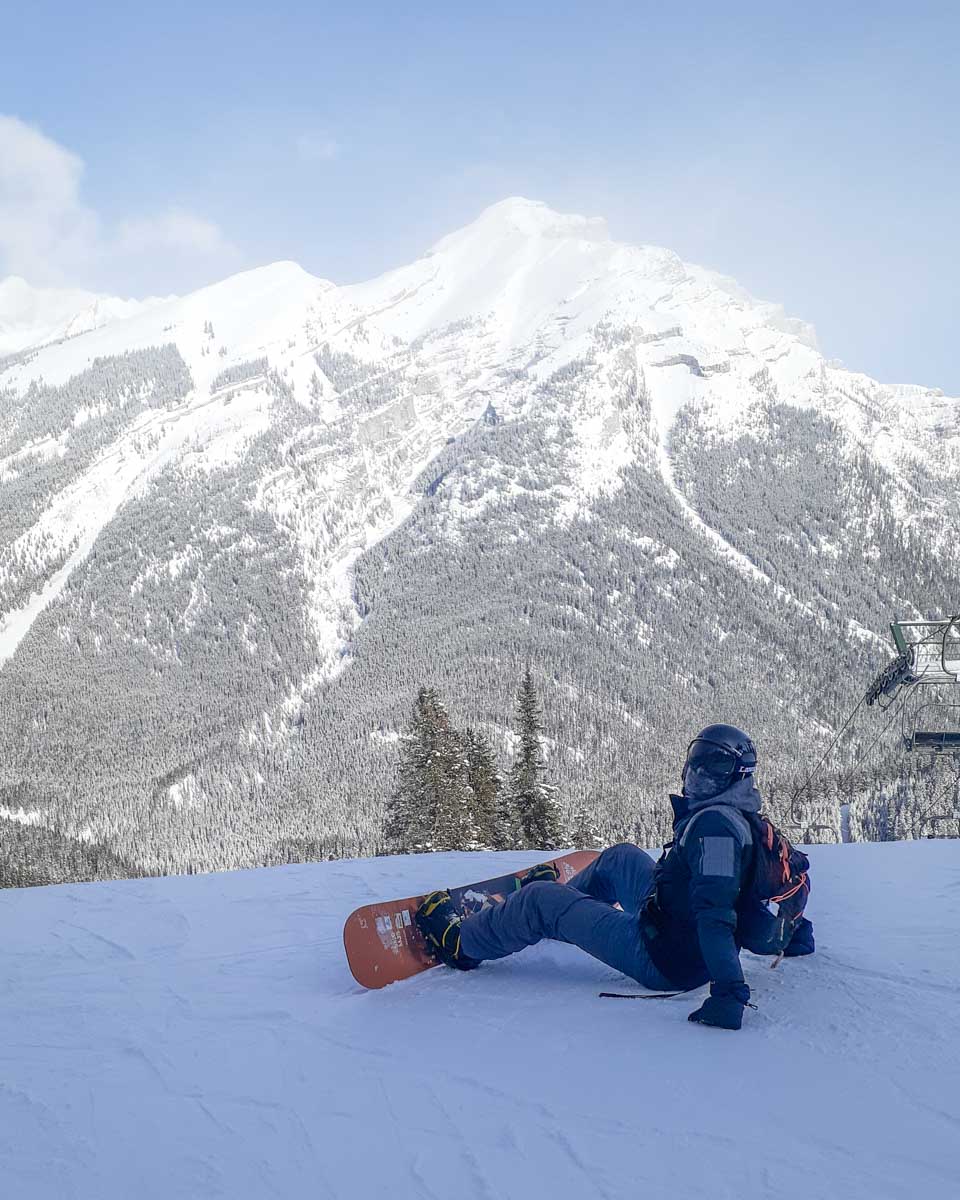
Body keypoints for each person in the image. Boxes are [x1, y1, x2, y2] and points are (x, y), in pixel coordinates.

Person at [415, 723, 814, 1030]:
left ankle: (462, 945)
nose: (698, 780)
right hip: (669, 922)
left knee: (540, 900)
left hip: (665, 959)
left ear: (738, 777)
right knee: (620, 857)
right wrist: (795, 934)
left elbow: (716, 914)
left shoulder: (716, 830)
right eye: (697, 768)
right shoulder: (736, 813)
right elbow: (758, 891)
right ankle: (560, 912)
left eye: (714, 772)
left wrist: (729, 994)